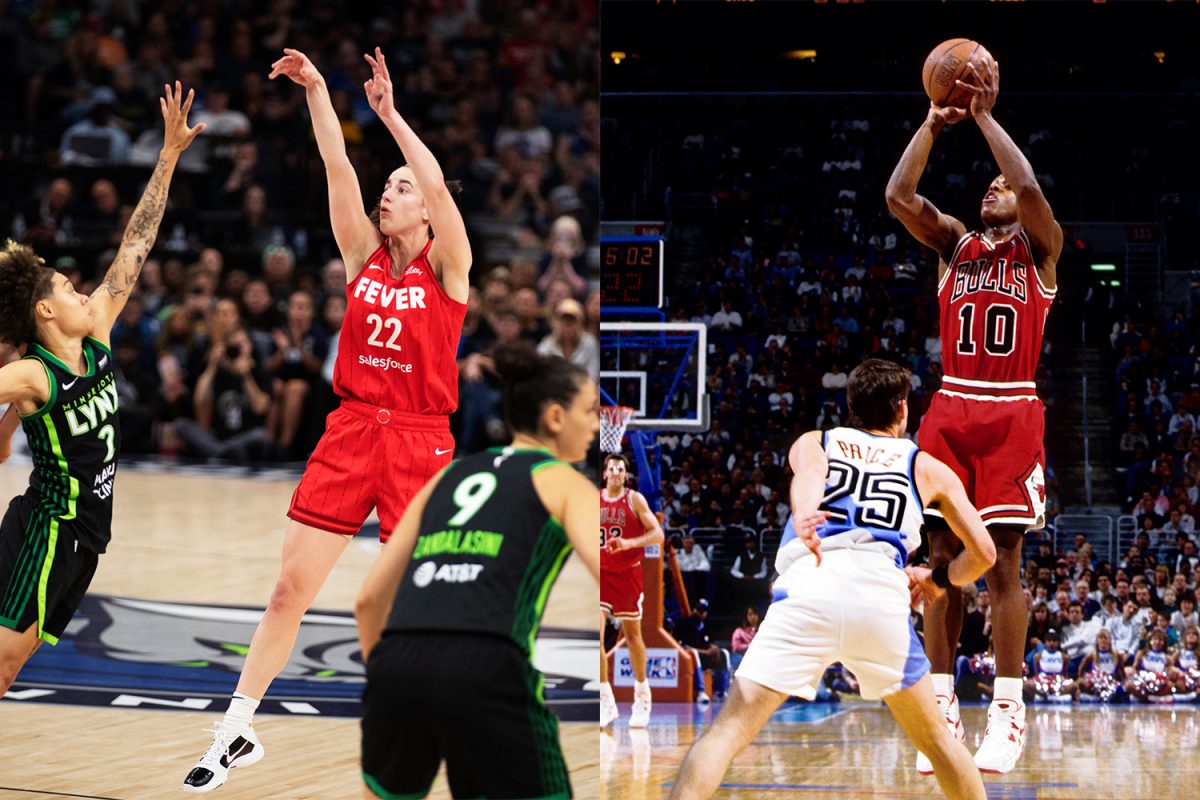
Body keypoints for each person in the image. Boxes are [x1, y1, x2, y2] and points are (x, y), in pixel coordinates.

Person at [184, 47, 472, 793]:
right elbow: (336, 168)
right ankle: (234, 732)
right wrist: (318, 91)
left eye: (400, 189)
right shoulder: (360, 257)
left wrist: (390, 116)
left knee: (420, 597)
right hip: (350, 431)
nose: (389, 194)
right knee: (289, 591)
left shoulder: (451, 266)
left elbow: (437, 184)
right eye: (389, 187)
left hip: (419, 441)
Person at [669, 359, 996, 800]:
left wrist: (804, 515)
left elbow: (809, 478)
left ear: (851, 406)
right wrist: (939, 576)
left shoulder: (817, 440)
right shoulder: (927, 467)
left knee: (726, 733)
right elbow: (985, 555)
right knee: (938, 741)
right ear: (902, 408)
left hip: (811, 583)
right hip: (879, 597)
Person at [885, 54, 1062, 774]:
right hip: (951, 405)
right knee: (939, 560)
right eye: (986, 184)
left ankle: (1010, 710)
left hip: (1011, 409)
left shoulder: (1040, 252)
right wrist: (933, 122)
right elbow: (899, 193)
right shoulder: (953, 243)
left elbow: (1025, 182)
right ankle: (942, 706)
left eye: (1003, 189)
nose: (996, 188)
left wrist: (985, 116)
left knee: (1003, 564)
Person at [0, 83, 202, 692]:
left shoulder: (98, 337)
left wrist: (167, 156)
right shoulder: (36, 372)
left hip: (87, 536)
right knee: (4, 663)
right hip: (48, 526)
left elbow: (136, 244)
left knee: (12, 666)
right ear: (44, 315)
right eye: (67, 289)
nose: (83, 292)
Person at [354, 343, 600, 800]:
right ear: (555, 418)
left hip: (397, 664)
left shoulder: (448, 475)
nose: (597, 424)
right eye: (591, 410)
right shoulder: (567, 482)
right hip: (486, 667)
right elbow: (611, 577)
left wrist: (393, 675)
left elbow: (368, 601)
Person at [599, 453, 664, 729]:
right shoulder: (593, 499)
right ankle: (605, 701)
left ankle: (641, 695)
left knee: (633, 637)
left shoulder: (634, 499)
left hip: (627, 574)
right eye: (611, 468)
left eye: (620, 469)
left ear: (626, 475)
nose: (615, 472)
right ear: (604, 474)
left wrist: (628, 543)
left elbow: (657, 534)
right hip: (600, 573)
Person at [1076, 627, 1125, 702]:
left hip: (1110, 683)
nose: (1103, 640)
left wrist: (1123, 682)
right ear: (1097, 641)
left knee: (1125, 688)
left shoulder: (1116, 655)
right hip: (1095, 683)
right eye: (1101, 638)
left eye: (1105, 638)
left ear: (1110, 641)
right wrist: (1082, 677)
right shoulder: (1091, 655)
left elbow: (1121, 671)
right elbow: (1081, 669)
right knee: (1079, 682)